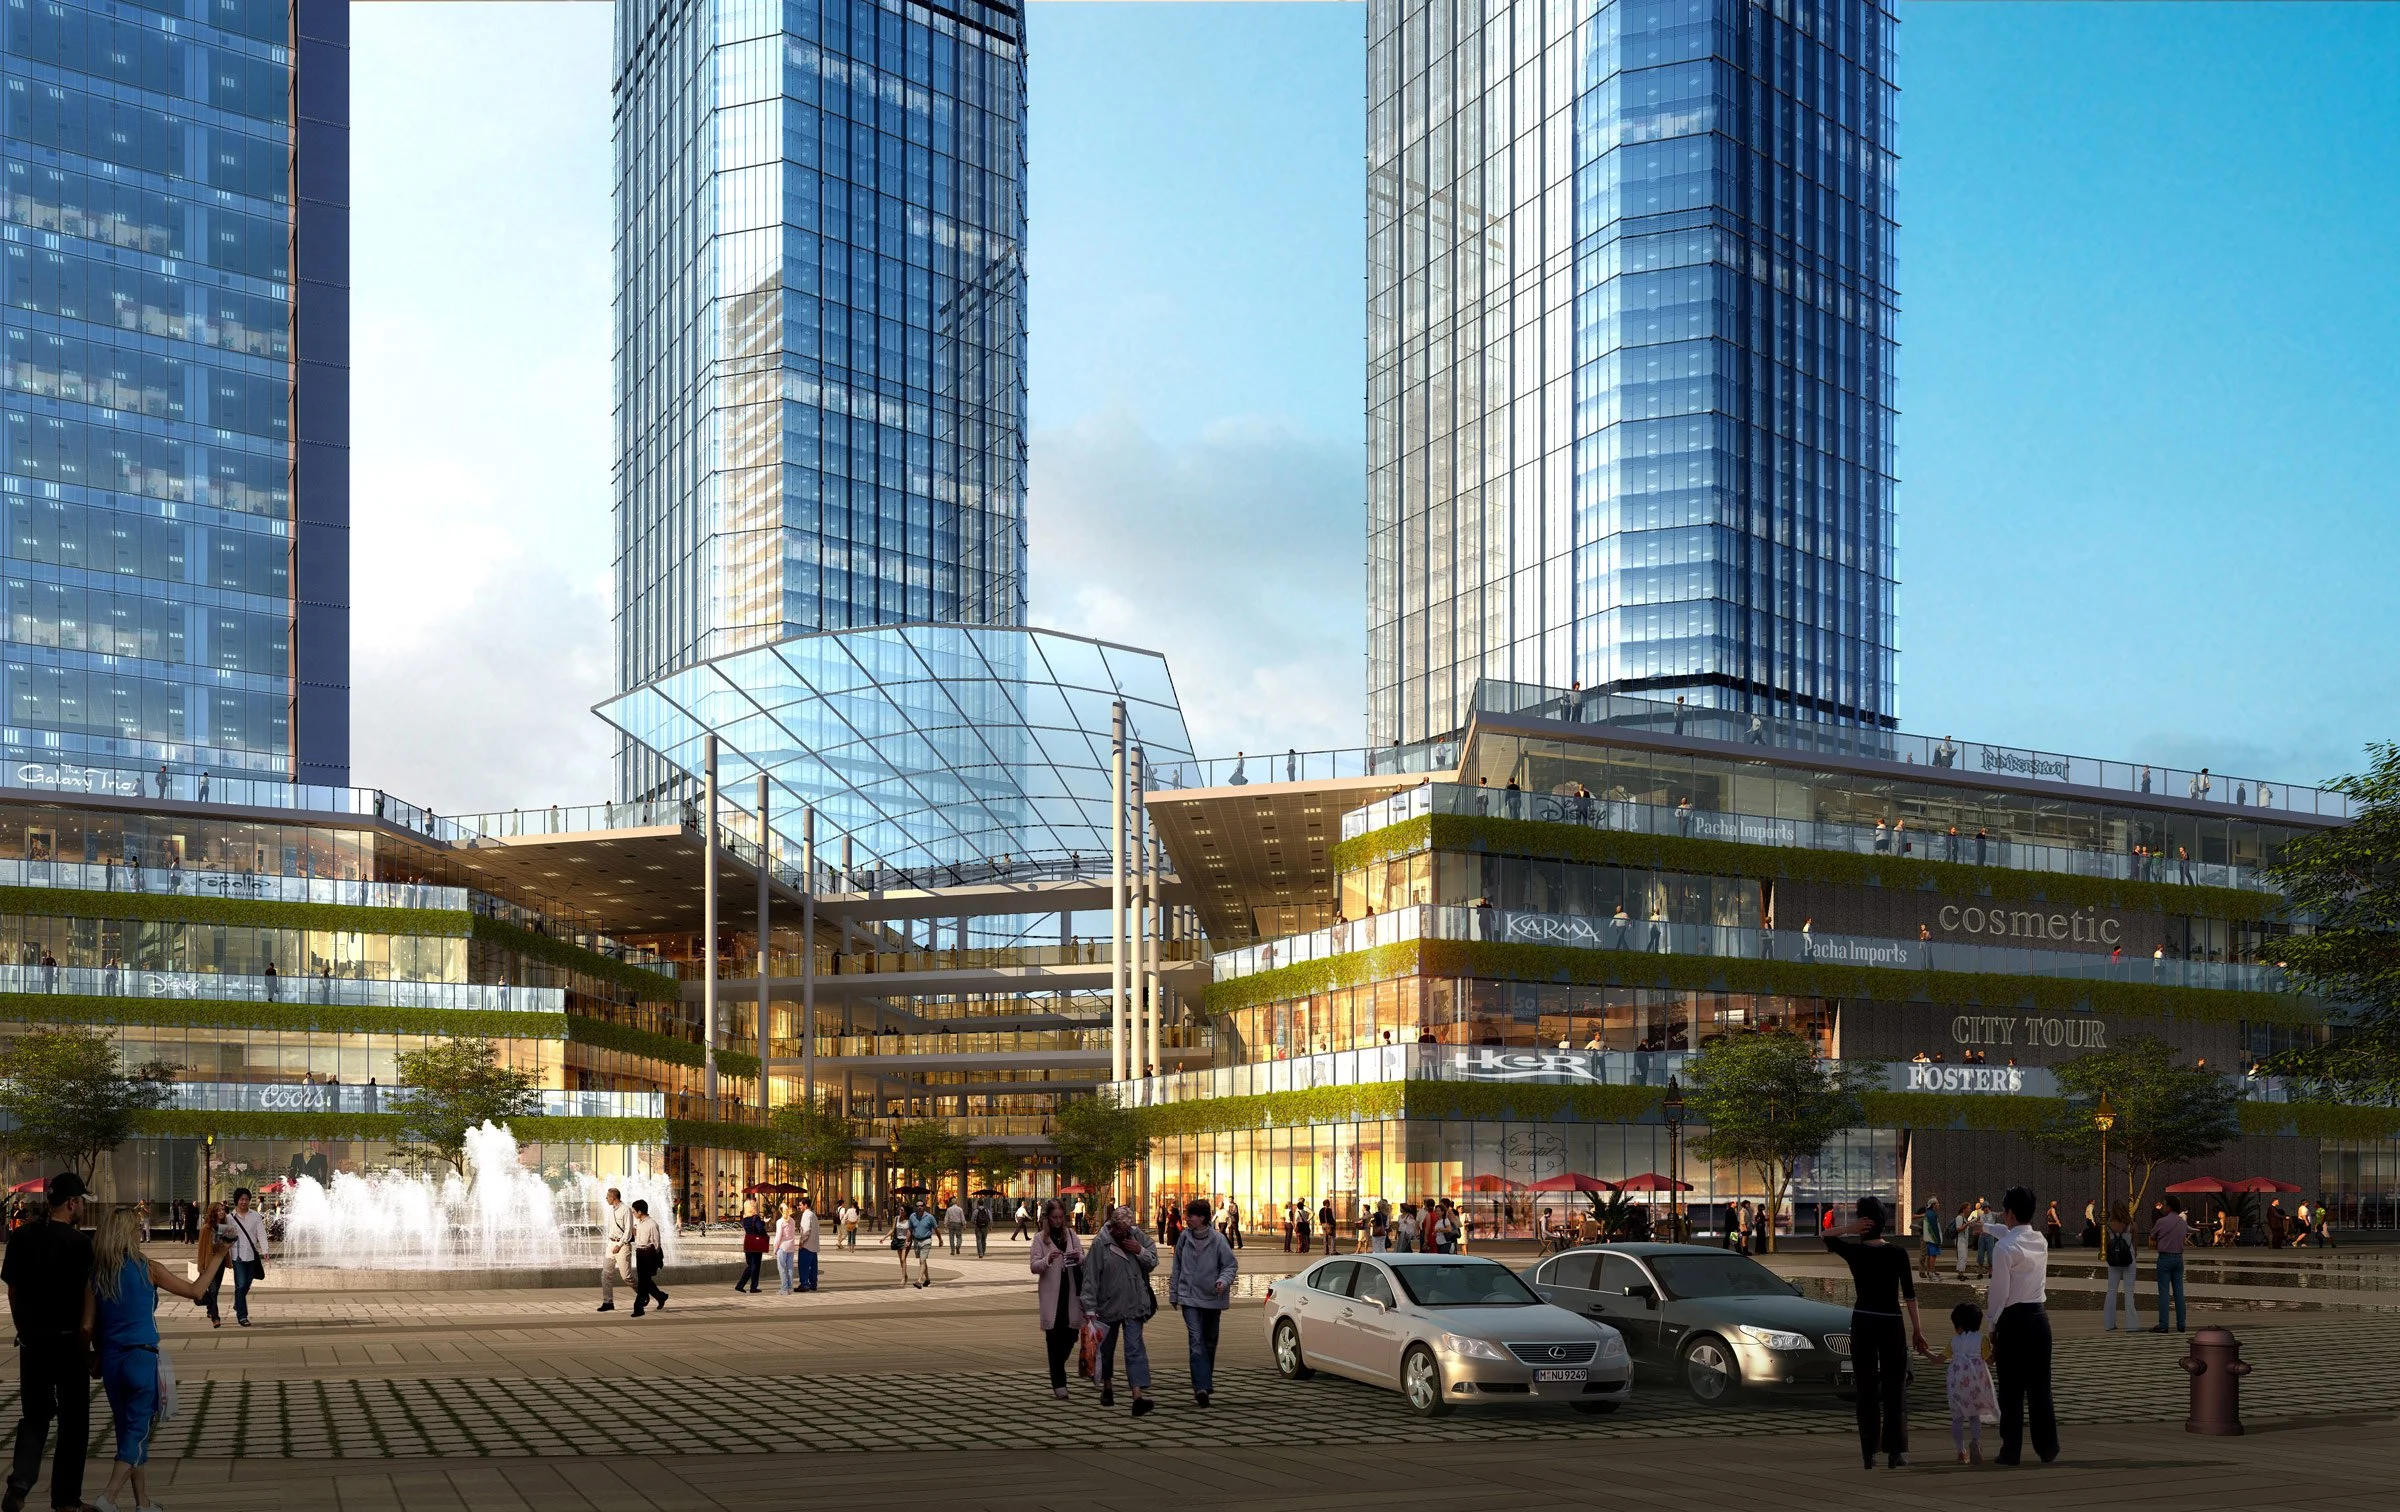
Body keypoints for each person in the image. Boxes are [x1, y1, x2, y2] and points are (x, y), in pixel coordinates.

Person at [88, 1204, 209, 1512]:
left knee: (128, 1431)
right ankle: (108, 1498)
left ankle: (142, 1502)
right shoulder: (148, 1268)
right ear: (130, 1234)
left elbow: (89, 1325)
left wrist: (96, 1355)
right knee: (137, 1432)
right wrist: (219, 1255)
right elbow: (197, 1291)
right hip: (142, 1359)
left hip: (112, 1362)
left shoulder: (97, 1274)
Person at [3, 1173, 95, 1512]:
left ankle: (20, 1483)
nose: (82, 1208)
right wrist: (90, 1345)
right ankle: (66, 1500)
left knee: (35, 1416)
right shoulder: (79, 1243)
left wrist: (23, 1328)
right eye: (81, 1202)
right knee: (74, 1423)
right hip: (68, 1342)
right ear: (72, 1203)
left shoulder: (21, 1237)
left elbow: (12, 1291)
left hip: (33, 1341)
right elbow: (89, 1299)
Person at [1824, 1198, 1931, 1471]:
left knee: (1866, 1387)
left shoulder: (1855, 1252)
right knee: (1895, 1388)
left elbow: (1826, 1235)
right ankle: (1895, 1451)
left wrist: (1849, 1228)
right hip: (1891, 1322)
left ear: (1863, 1223)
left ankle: (1868, 1453)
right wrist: (1918, 1330)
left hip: (1863, 1322)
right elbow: (1910, 1296)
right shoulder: (1897, 1253)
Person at [1978, 1185, 2058, 1466]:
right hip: (2039, 1319)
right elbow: (2010, 1232)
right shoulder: (2040, 1240)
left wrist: (1991, 1325)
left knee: (2010, 1389)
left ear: (2010, 1212)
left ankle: (2011, 1450)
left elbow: (1999, 1293)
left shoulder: (2004, 1249)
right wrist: (1986, 1228)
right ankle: (2047, 1448)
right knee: (2040, 1388)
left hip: (2013, 1321)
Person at [1080, 1206, 1159, 1416]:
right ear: (1113, 1226)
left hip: (1134, 1304)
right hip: (1108, 1305)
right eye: (1122, 1230)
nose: (1125, 1234)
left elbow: (1152, 1260)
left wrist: (1139, 1250)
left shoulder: (1136, 1236)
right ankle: (1107, 1386)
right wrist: (1089, 1308)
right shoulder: (1101, 1243)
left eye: (1128, 1230)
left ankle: (1137, 1396)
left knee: (1134, 1348)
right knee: (1106, 1348)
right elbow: (1090, 1278)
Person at [1028, 1199, 1085, 1401]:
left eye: (1061, 1217)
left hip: (1071, 1294)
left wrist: (1078, 1257)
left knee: (1071, 1336)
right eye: (1054, 1217)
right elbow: (1034, 1266)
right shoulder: (1040, 1239)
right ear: (1047, 1218)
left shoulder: (1071, 1235)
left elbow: (1083, 1257)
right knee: (1053, 1340)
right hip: (1052, 1296)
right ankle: (1059, 1383)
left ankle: (1058, 1368)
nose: (1058, 1221)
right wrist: (1047, 1260)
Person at [1945, 1302, 1999, 1465]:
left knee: (1957, 1418)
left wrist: (1924, 1350)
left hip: (1957, 1383)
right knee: (1974, 1415)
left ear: (1959, 1325)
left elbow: (1937, 1359)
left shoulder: (1954, 1341)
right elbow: (1990, 1361)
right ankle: (1975, 1442)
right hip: (1975, 1383)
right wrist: (1996, 1348)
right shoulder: (1981, 1339)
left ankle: (1961, 1452)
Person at [225, 1186, 269, 1327]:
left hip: (251, 1254)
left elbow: (261, 1233)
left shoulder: (255, 1216)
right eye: (241, 1199)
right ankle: (242, 1316)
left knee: (247, 1284)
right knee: (241, 1284)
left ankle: (238, 1302)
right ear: (236, 1201)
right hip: (237, 1256)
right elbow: (225, 1236)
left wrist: (265, 1250)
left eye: (246, 1199)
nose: (244, 1202)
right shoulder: (229, 1218)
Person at [2150, 1195, 2189, 1333]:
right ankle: (2181, 1324)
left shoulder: (2161, 1221)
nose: (2163, 1207)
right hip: (2178, 1258)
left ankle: (2163, 1324)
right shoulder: (2182, 1222)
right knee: (2179, 1292)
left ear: (2169, 1206)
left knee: (2164, 1292)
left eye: (2165, 1205)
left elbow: (2152, 1235)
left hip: (2165, 1258)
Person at [194, 1199, 233, 1327]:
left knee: (215, 1290)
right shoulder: (206, 1228)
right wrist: (201, 1267)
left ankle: (210, 1310)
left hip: (220, 1262)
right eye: (218, 1210)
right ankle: (216, 1317)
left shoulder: (224, 1226)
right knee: (213, 1290)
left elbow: (225, 1245)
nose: (222, 1212)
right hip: (210, 1264)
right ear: (213, 1212)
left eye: (222, 1210)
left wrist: (230, 1240)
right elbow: (201, 1250)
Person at [2101, 1208, 2136, 1332]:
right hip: (2129, 1258)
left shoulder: (2108, 1225)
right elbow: (2135, 1243)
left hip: (2114, 1260)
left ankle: (2109, 1323)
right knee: (2129, 1292)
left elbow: (2107, 1242)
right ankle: (2132, 1324)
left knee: (2111, 1290)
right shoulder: (2131, 1225)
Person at [598, 1187, 632, 1312]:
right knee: (605, 1274)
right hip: (611, 1244)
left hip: (622, 1245)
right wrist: (611, 1243)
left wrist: (620, 1244)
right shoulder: (611, 1210)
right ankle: (608, 1302)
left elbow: (628, 1230)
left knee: (626, 1277)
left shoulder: (626, 1209)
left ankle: (642, 1293)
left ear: (613, 1197)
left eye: (607, 1196)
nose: (606, 1198)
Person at [736, 1196, 767, 1294]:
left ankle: (740, 1285)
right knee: (755, 1266)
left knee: (750, 1266)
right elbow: (760, 1229)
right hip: (756, 1244)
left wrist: (762, 1223)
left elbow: (752, 1227)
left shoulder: (745, 1219)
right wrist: (764, 1233)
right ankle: (753, 1287)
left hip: (748, 1243)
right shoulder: (756, 1217)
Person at [906, 1200, 937, 1287]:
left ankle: (919, 1280)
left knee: (922, 1261)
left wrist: (940, 1239)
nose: (919, 1207)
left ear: (924, 1206)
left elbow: (936, 1229)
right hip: (916, 1241)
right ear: (915, 1207)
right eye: (918, 1206)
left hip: (926, 1240)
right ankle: (927, 1279)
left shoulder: (929, 1217)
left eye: (921, 1206)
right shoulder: (912, 1216)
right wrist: (907, 1240)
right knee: (923, 1260)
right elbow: (910, 1229)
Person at [773, 1199, 801, 1296]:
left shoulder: (780, 1222)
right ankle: (790, 1288)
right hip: (791, 1246)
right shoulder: (792, 1221)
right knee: (790, 1268)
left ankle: (784, 1288)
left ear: (780, 1211)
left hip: (782, 1246)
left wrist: (775, 1248)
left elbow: (778, 1236)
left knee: (781, 1268)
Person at [794, 1196, 820, 1292]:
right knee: (813, 1267)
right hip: (814, 1245)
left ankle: (804, 1284)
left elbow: (806, 1230)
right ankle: (813, 1284)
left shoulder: (806, 1215)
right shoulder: (813, 1215)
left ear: (805, 1205)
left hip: (807, 1245)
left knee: (803, 1266)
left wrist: (801, 1241)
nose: (799, 1207)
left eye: (800, 1205)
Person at [1917, 1198, 1942, 1278]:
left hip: (1928, 1236)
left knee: (1930, 1254)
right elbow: (1934, 1228)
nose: (1938, 1205)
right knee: (1928, 1254)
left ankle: (1930, 1270)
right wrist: (1937, 1239)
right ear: (1933, 1204)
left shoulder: (1931, 1213)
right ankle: (1926, 1271)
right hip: (1929, 1236)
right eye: (1937, 1203)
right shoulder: (1930, 1213)